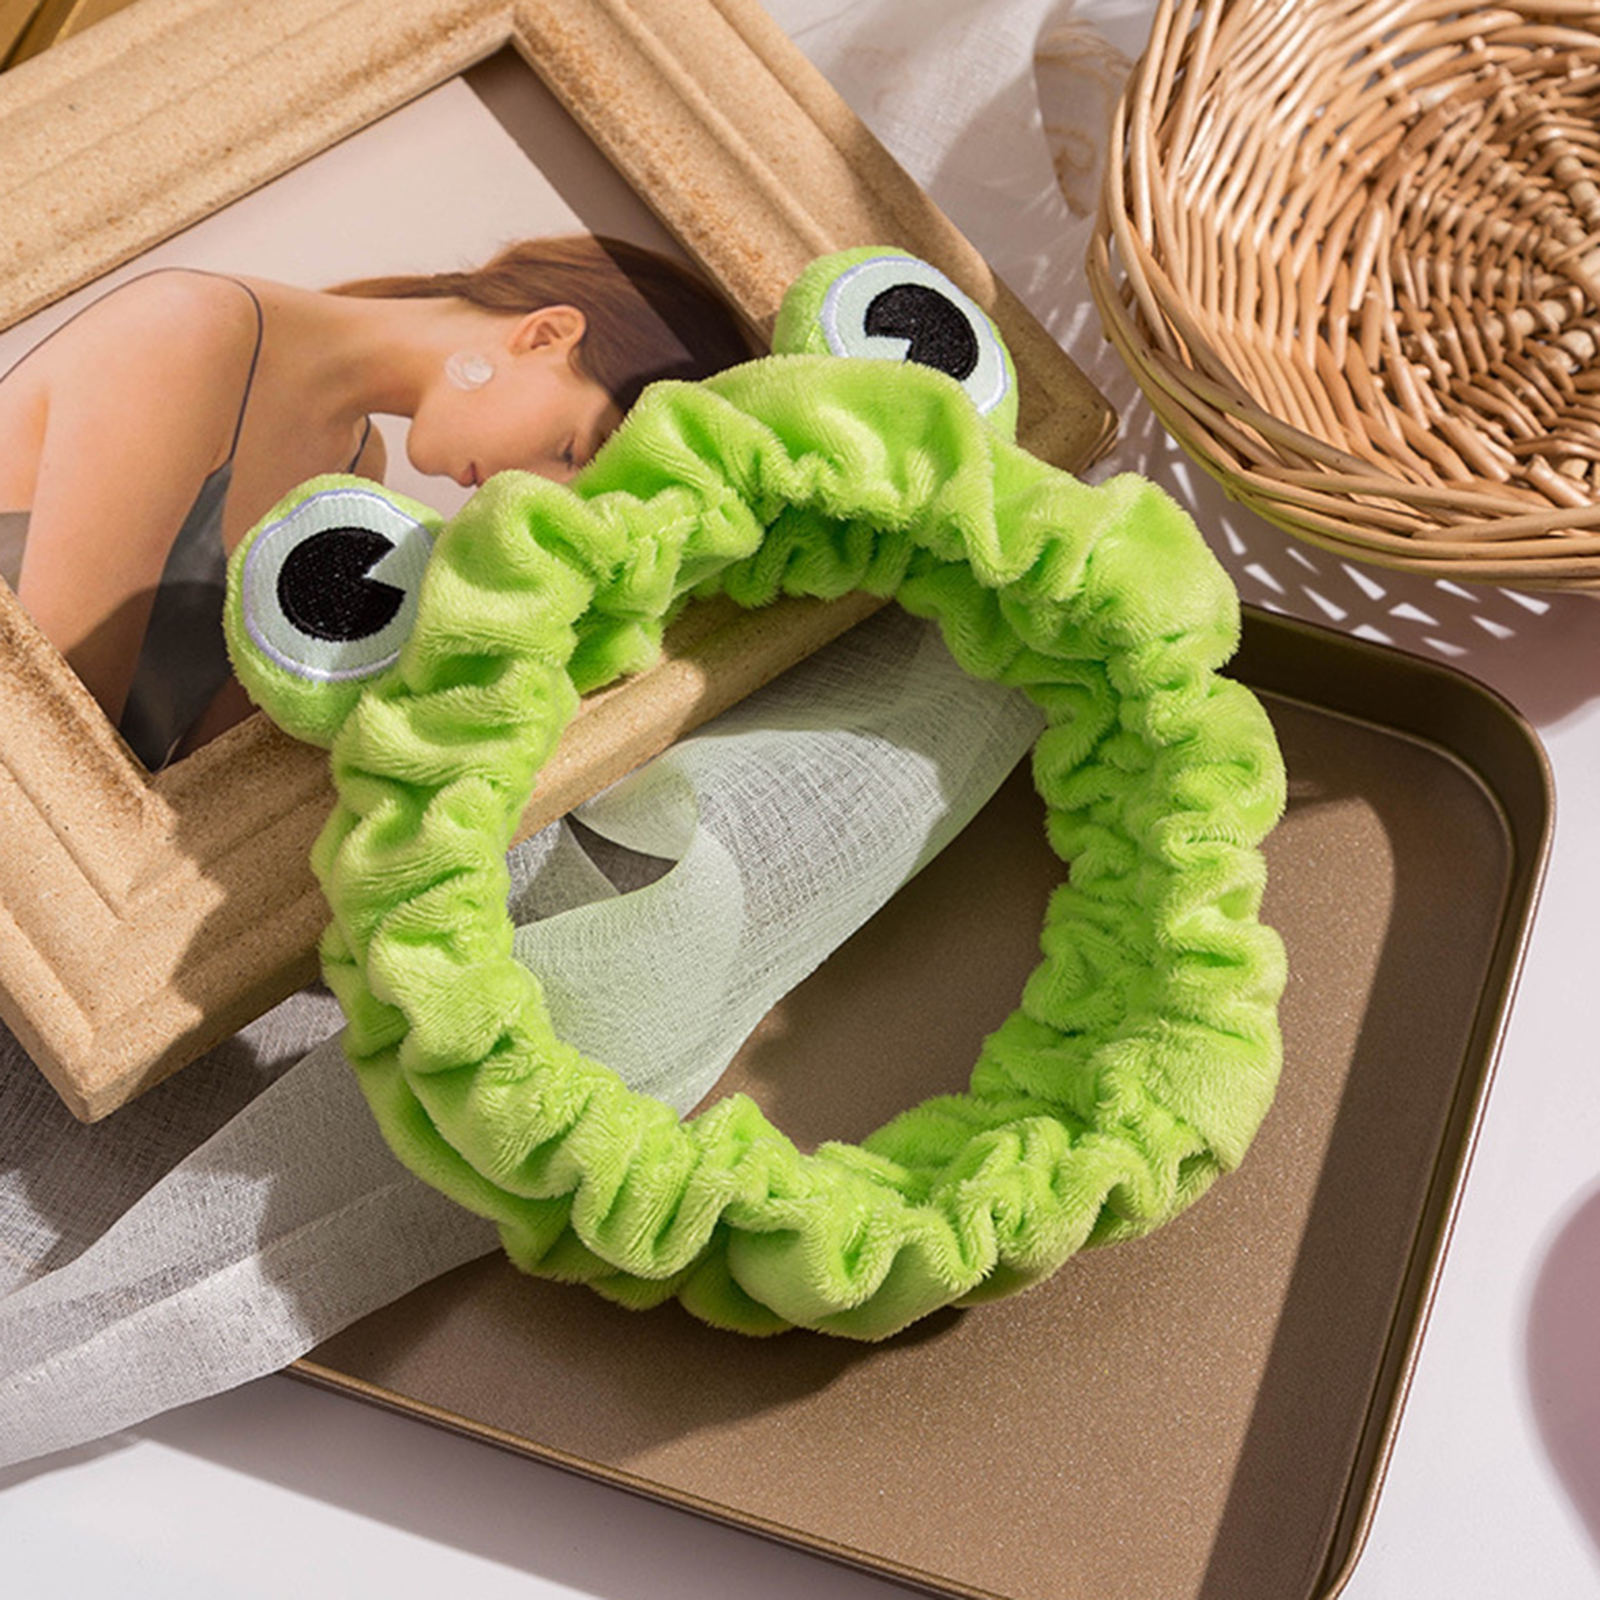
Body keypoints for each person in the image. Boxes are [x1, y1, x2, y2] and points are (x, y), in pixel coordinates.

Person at [0, 235, 755, 768]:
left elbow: (195, 777)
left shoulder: (356, 477)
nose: (528, 494)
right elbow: (54, 728)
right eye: (568, 451)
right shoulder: (188, 332)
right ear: (545, 335)